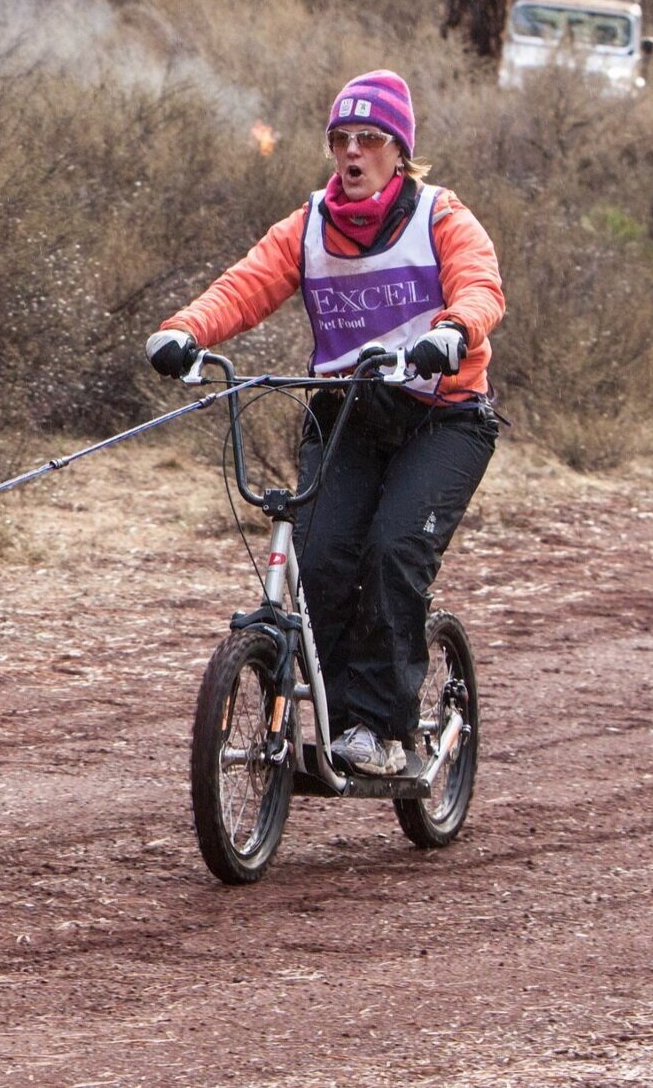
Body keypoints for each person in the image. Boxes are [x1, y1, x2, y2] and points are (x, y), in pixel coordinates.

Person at [145, 70, 503, 776]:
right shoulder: (309, 225)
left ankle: (382, 730)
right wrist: (184, 330)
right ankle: (338, 723)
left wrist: (453, 330)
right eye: (341, 138)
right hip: (349, 415)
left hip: (444, 418)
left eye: (369, 138)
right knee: (321, 559)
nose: (352, 151)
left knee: (394, 550)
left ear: (399, 151)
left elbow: (480, 286)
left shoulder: (440, 215)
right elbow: (245, 286)